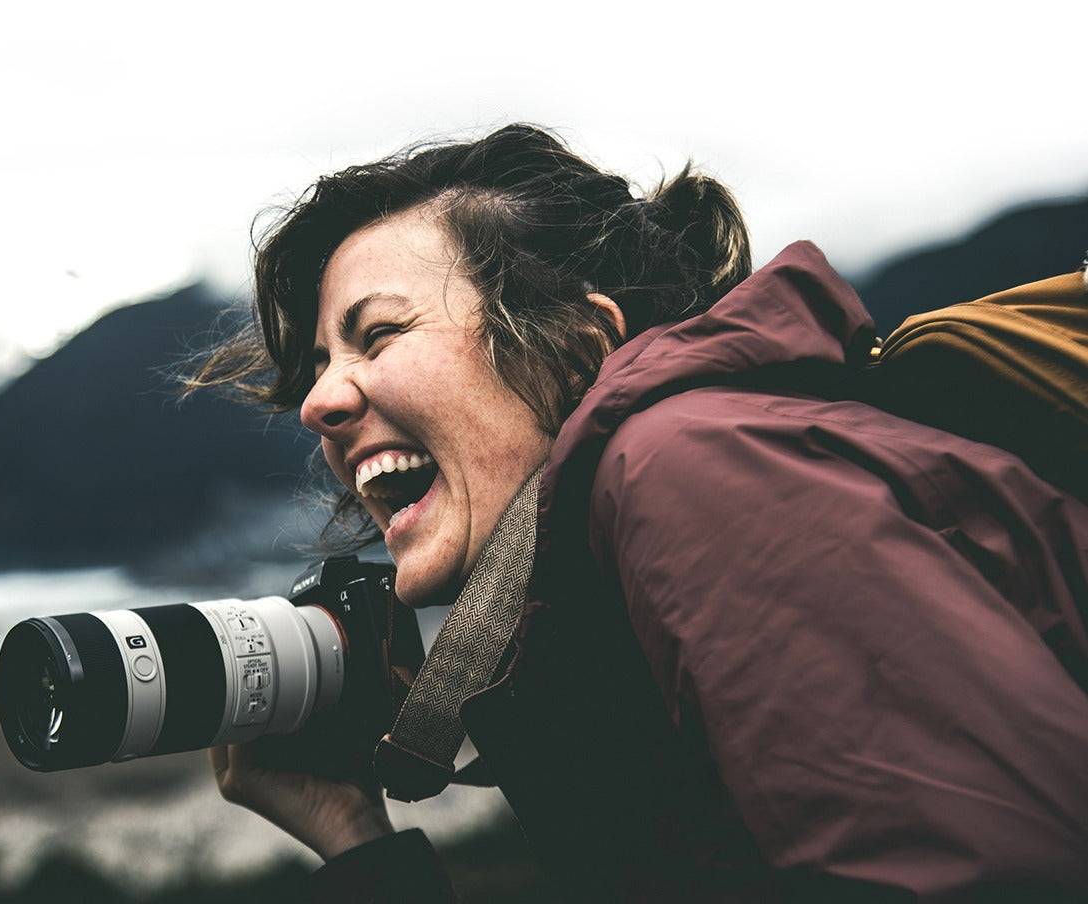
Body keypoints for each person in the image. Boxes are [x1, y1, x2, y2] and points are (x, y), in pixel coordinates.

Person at [185, 125, 1088, 901]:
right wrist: (355, 841)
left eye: (378, 334)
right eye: (315, 366)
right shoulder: (599, 593)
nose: (318, 404)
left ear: (575, 346)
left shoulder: (693, 469)